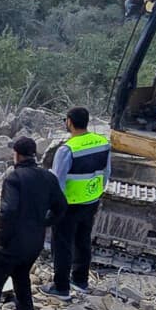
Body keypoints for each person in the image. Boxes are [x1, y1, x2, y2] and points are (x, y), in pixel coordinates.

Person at [0, 137, 67, 310]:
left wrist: (0, 239)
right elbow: (61, 207)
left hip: (12, 243)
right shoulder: (48, 177)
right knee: (21, 277)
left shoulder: (14, 178)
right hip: (34, 242)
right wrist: (45, 223)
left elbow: (8, 212)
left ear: (16, 154)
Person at [49, 107, 110, 295]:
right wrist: (96, 192)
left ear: (69, 121)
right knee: (83, 240)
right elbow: (106, 172)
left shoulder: (67, 149)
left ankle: (61, 287)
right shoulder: (102, 142)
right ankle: (80, 280)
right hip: (91, 201)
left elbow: (57, 182)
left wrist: (53, 206)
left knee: (62, 244)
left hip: (70, 205)